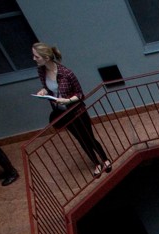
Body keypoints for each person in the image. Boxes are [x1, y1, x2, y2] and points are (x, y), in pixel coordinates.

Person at [32, 42, 111, 178]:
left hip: (76, 111)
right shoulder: (41, 71)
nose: (34, 59)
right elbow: (48, 87)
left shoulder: (66, 73)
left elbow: (80, 94)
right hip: (62, 112)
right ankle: (96, 163)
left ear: (46, 57)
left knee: (89, 137)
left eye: (36, 56)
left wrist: (67, 100)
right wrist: (43, 91)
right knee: (80, 139)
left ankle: (105, 160)